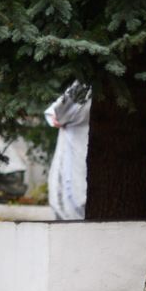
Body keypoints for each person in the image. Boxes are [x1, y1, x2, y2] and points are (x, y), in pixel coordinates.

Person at [44, 82, 89, 221]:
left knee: (72, 192)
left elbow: (58, 114)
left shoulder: (86, 84)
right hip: (80, 143)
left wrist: (55, 115)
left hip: (77, 146)